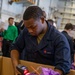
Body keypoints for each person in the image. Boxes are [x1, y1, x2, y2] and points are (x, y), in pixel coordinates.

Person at [10, 6, 71, 75]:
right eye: (27, 28)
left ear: (42, 20)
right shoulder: (26, 32)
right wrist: (16, 66)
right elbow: (15, 48)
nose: (30, 31)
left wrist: (50, 73)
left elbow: (63, 66)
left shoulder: (59, 39)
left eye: (33, 27)